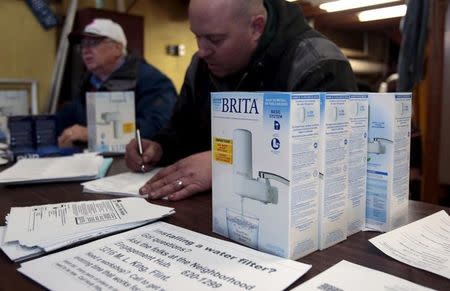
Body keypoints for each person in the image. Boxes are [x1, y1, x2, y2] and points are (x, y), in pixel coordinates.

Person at [125, 0, 357, 201]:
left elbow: (332, 157)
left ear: (256, 27)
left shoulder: (316, 64)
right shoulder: (200, 67)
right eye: (197, 36)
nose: (202, 51)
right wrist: (159, 147)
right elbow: (183, 131)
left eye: (214, 39)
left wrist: (222, 166)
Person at [56, 18, 177, 148]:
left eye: (94, 42)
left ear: (118, 48)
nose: (86, 49)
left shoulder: (151, 80)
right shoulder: (87, 84)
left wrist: (95, 134)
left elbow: (159, 126)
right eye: (83, 44)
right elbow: (64, 121)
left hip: (137, 163)